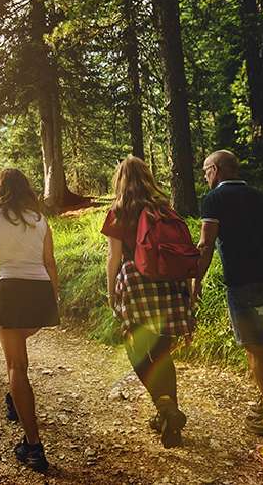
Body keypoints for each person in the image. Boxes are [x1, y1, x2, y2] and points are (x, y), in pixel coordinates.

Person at [197, 150, 263, 446]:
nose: (205, 177)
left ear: (215, 169)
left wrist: (195, 282)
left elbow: (205, 247)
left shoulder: (213, 200)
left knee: (256, 348)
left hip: (243, 284)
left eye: (206, 171)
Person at [100, 156, 197, 448]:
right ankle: (170, 420)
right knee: (163, 350)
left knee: (138, 351)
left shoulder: (118, 211)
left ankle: (165, 408)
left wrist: (110, 291)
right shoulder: (163, 207)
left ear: (120, 180)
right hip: (170, 281)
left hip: (137, 282)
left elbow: (114, 258)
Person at [0, 168, 59, 473]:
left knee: (16, 367)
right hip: (39, 290)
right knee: (20, 358)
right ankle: (16, 398)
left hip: (11, 289)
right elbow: (49, 261)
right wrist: (53, 296)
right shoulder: (40, 219)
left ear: (0, 189)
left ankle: (33, 446)